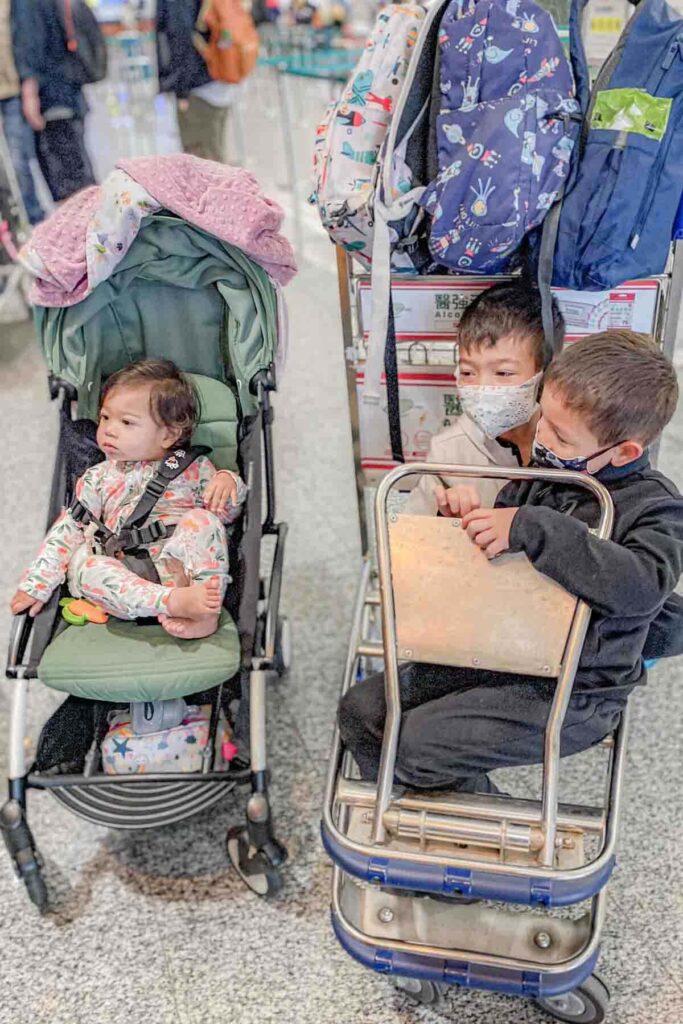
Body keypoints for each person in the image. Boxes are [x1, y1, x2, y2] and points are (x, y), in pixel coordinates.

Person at [339, 331, 683, 792]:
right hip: (498, 651)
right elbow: (498, 545)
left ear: (623, 452)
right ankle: (418, 795)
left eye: (560, 436)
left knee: (410, 749)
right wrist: (461, 520)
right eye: (543, 418)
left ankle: (452, 817)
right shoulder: (546, 475)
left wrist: (530, 526)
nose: (540, 437)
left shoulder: (655, 507)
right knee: (360, 711)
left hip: (576, 690)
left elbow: (640, 586)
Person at [10, 359, 247, 641]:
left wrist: (229, 482)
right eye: (105, 417)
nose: (109, 429)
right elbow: (68, 530)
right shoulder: (96, 478)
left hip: (182, 569)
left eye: (126, 422)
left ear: (168, 434)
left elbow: (225, 517)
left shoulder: (193, 469)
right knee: (88, 568)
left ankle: (204, 613)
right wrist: (37, 583)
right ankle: (171, 602)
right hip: (125, 578)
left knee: (203, 522)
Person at [405, 280, 564, 516]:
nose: (482, 388)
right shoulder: (449, 454)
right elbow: (410, 539)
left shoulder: (577, 446)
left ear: (546, 373)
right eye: (468, 372)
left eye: (503, 373)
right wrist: (447, 521)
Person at [11, 0, 96, 205]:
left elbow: (30, 41)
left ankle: (80, 232)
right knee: (78, 172)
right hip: (68, 90)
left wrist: (30, 92)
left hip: (51, 97)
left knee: (67, 179)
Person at [156, 0, 235, 164]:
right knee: (215, 153)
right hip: (220, 75)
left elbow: (180, 36)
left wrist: (181, 91)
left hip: (197, 85)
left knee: (202, 162)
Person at [0, 0, 45, 225]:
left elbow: (26, 42)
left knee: (18, 160)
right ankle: (10, 227)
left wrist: (30, 92)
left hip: (12, 92)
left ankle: (32, 220)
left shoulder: (15, 4)